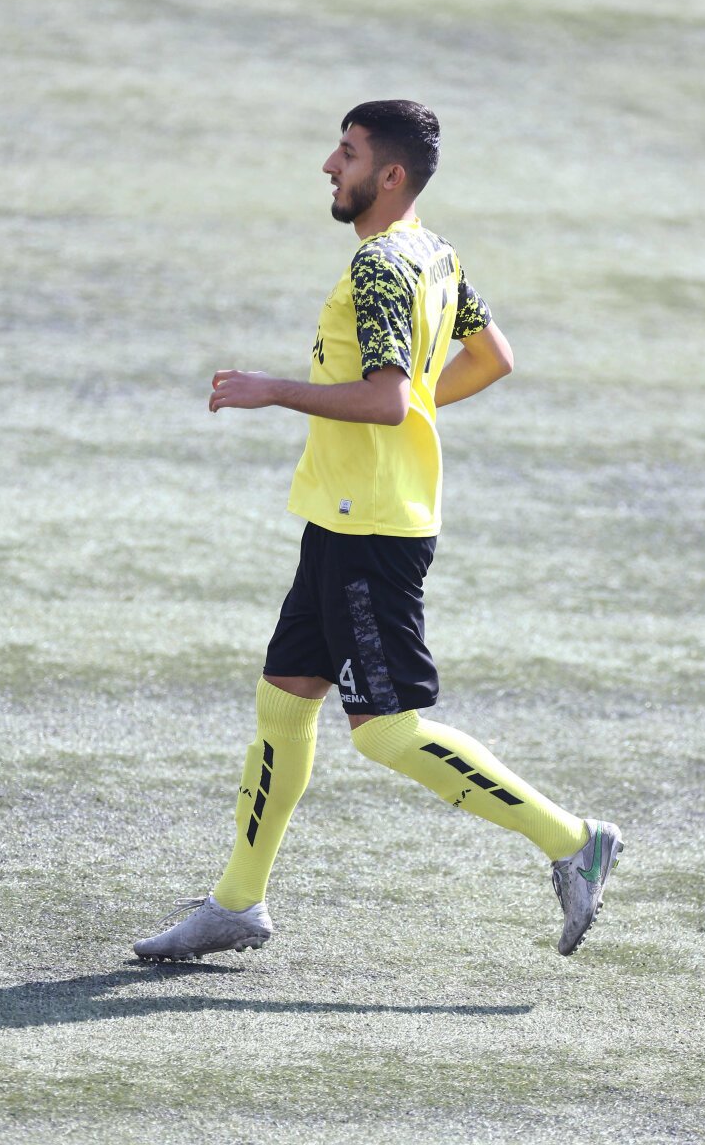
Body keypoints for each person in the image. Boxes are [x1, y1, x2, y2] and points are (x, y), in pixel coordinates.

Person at [133, 100, 622, 963]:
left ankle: (573, 840)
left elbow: (390, 400)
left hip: (372, 530)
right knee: (285, 704)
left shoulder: (382, 268)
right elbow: (493, 358)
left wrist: (272, 390)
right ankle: (238, 903)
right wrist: (418, 409)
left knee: (389, 730)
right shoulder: (434, 252)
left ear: (389, 175)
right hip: (341, 518)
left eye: (348, 153)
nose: (330, 164)